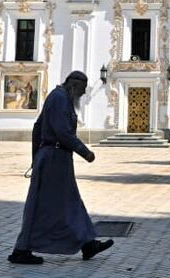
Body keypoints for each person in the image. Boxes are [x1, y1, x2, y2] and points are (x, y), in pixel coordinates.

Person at [8, 71, 113, 265]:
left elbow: (38, 128)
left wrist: (37, 158)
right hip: (54, 158)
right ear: (74, 85)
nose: (82, 95)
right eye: (81, 90)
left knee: (71, 202)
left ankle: (88, 243)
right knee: (42, 205)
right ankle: (21, 250)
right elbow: (63, 132)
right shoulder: (60, 99)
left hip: (56, 159)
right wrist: (85, 152)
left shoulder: (59, 97)